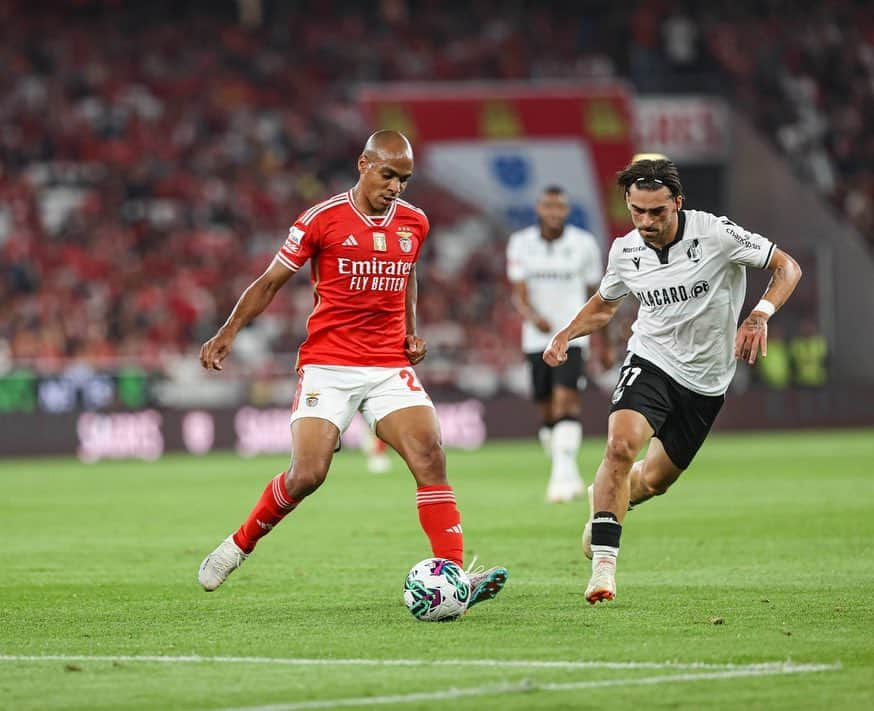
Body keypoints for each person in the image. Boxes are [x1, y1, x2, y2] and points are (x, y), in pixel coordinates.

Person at [197, 130, 508, 612]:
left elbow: (407, 274)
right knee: (308, 473)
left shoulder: (415, 222)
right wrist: (228, 331)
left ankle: (453, 577)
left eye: (404, 179)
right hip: (328, 365)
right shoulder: (321, 220)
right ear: (364, 164)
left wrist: (411, 329)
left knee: (430, 453)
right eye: (388, 175)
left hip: (387, 364)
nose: (396, 187)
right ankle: (237, 545)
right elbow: (271, 281)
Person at [543, 158, 802, 604]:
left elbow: (787, 267)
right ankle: (604, 567)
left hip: (706, 380)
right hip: (651, 359)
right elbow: (606, 304)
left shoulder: (718, 233)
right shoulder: (625, 251)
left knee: (656, 480)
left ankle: (605, 503)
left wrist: (760, 314)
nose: (645, 221)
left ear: (677, 203)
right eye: (637, 211)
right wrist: (568, 332)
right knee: (620, 446)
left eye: (656, 212)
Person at [506, 185, 612, 503]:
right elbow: (519, 291)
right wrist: (532, 316)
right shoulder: (521, 243)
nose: (554, 213)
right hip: (536, 339)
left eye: (560, 207)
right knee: (546, 408)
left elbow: (599, 296)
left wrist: (603, 343)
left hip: (572, 336)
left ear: (566, 211)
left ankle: (560, 477)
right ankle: (565, 469)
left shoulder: (583, 244)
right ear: (539, 209)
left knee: (567, 401)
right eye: (548, 207)